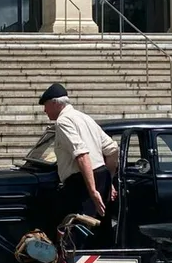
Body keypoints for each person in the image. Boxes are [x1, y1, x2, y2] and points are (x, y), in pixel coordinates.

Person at [39, 83, 119, 234]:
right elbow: (112, 149)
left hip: (82, 181)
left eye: (46, 105)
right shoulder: (85, 118)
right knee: (99, 229)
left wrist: (93, 190)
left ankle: (73, 257)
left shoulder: (63, 121)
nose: (44, 110)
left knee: (77, 229)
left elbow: (81, 154)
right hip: (100, 175)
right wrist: (109, 179)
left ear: (55, 103)